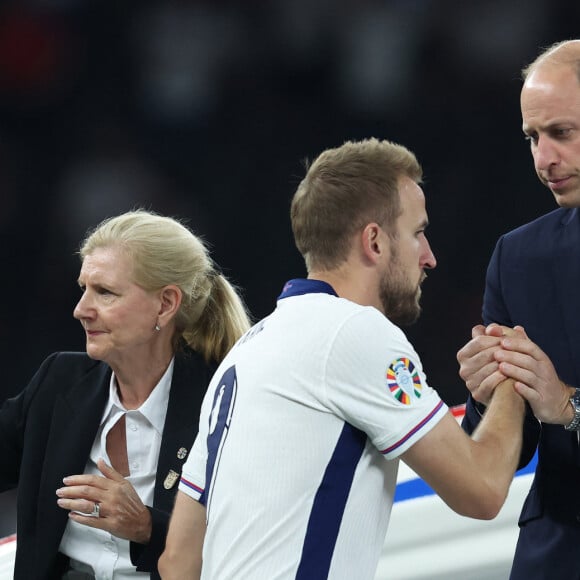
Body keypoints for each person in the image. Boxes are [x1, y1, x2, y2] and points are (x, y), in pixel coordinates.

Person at [158, 138, 527, 580]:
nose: (429, 257)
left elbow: (177, 562)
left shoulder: (244, 354)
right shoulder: (355, 332)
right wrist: (513, 370)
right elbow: (482, 491)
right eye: (417, 232)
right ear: (373, 240)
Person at [0, 209, 251, 579]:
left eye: (104, 292)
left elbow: (247, 544)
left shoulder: (223, 400)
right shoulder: (59, 380)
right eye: (83, 289)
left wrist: (147, 526)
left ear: (165, 304)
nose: (80, 310)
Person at [457, 39, 580, 579]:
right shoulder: (519, 257)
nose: (543, 159)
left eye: (561, 133)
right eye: (533, 138)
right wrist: (486, 396)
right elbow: (514, 445)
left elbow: (558, 407)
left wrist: (570, 406)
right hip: (556, 548)